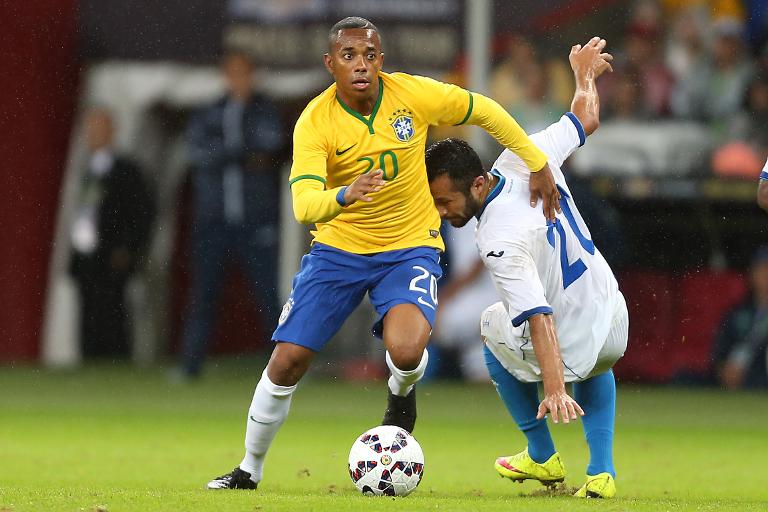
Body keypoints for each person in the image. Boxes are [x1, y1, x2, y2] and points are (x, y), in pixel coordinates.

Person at [206, 16, 559, 490]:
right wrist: (345, 195)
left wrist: (536, 162)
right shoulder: (315, 122)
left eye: (370, 56)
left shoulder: (411, 94)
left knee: (407, 349)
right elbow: (303, 203)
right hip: (338, 251)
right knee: (287, 359)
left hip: (409, 247)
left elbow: (485, 110)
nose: (361, 66)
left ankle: (400, 392)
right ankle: (249, 469)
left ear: (381, 61)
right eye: (349, 56)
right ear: (331, 64)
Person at [425, 38, 626, 498]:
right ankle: (602, 472)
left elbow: (539, 316)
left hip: (571, 336)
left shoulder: (497, 238)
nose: (439, 212)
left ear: (477, 184)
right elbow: (586, 118)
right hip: (613, 313)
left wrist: (555, 389)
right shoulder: (524, 156)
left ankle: (541, 456)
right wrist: (584, 75)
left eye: (445, 201)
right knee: (594, 356)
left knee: (492, 325)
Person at [177, 51, 284, 379]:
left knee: (268, 294)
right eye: (233, 73)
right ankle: (190, 366)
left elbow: (273, 145)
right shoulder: (210, 111)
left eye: (244, 73)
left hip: (257, 219)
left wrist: (228, 152)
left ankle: (283, 368)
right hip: (215, 221)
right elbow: (198, 153)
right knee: (204, 294)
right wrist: (241, 153)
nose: (239, 80)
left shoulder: (266, 110)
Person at [69, 108, 154, 359]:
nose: (93, 135)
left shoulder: (127, 170)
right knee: (87, 314)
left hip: (112, 256)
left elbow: (142, 213)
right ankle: (88, 361)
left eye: (99, 129)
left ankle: (116, 362)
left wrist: (127, 247)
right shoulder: (85, 169)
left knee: (113, 312)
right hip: (86, 256)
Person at [712, 246, 768, 389]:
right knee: (683, 377)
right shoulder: (737, 313)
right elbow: (720, 351)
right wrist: (725, 371)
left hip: (760, 378)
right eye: (762, 269)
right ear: (752, 273)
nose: (766, 275)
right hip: (737, 379)